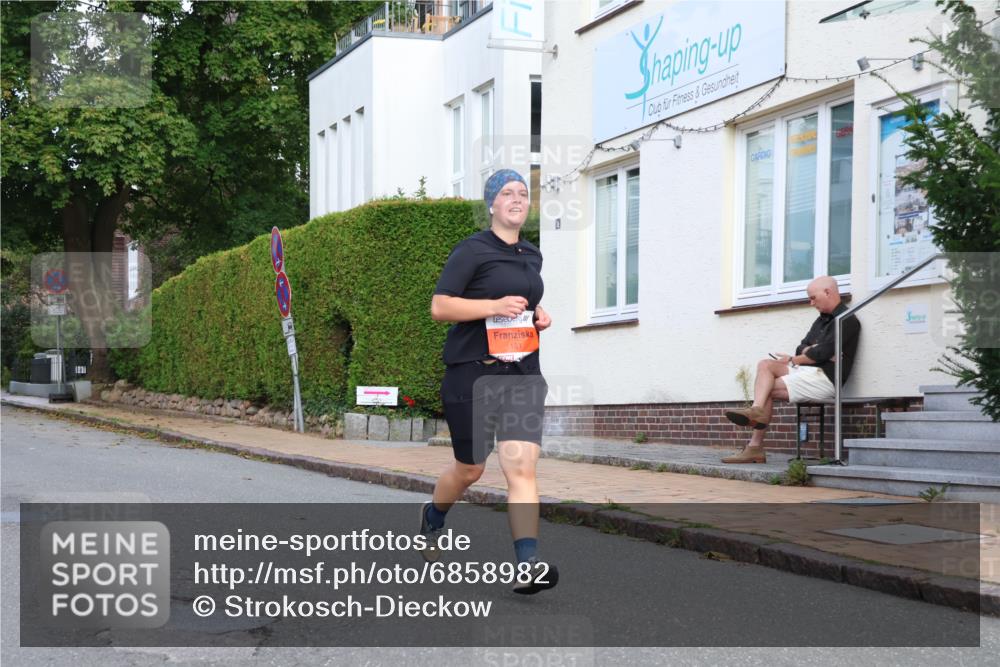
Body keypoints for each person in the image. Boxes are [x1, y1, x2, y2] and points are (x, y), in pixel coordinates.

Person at [419, 169, 558, 595]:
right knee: (471, 468)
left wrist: (539, 316)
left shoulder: (532, 255)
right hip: (473, 373)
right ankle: (433, 517)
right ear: (492, 204)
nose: (517, 198)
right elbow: (440, 307)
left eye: (523, 193)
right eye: (507, 193)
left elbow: (522, 303)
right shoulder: (472, 250)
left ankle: (528, 564)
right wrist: (491, 306)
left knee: (520, 465)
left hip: (521, 372)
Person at [720, 276, 861, 464]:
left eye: (813, 298)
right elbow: (803, 347)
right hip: (808, 373)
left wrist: (806, 355)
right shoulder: (821, 321)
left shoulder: (848, 320)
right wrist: (812, 352)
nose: (811, 303)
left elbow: (819, 353)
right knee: (765, 364)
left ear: (828, 292)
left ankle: (754, 446)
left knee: (767, 388)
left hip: (826, 379)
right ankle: (756, 412)